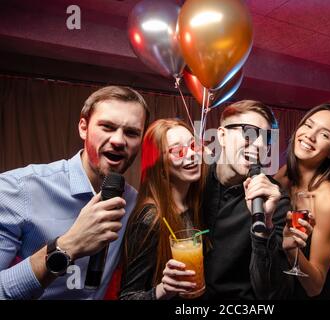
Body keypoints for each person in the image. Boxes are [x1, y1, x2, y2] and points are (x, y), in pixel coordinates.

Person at [0, 86, 149, 299]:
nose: (118, 140)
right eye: (107, 127)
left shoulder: (134, 202)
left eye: (131, 132)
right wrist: (68, 245)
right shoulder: (17, 188)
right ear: (83, 127)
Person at [202, 100, 294, 300]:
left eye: (267, 138)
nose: (260, 144)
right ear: (222, 136)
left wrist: (264, 228)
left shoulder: (275, 200)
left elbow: (272, 292)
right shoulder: (195, 180)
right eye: (248, 132)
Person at [274, 104, 330, 299]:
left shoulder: (327, 200)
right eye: (308, 125)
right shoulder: (285, 174)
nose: (310, 136)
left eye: (324, 135)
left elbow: (316, 285)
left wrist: (291, 249)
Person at [119, 118, 205, 300]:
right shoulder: (150, 218)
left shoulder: (193, 203)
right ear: (159, 164)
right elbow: (128, 296)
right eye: (177, 151)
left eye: (194, 146)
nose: (192, 155)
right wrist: (163, 290)